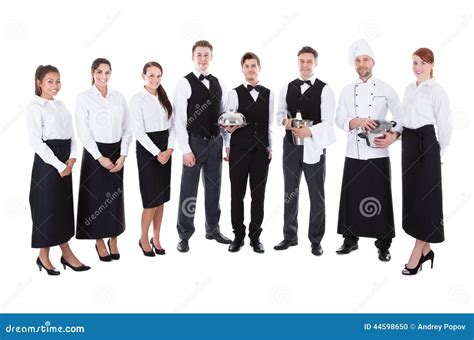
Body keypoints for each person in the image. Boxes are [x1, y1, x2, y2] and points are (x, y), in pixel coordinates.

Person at [334, 40, 404, 262]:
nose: (361, 64)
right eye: (358, 60)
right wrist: (356, 121)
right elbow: (339, 119)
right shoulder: (346, 90)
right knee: (351, 196)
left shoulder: (386, 88)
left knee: (380, 196)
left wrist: (393, 137)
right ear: (354, 64)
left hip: (378, 153)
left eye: (365, 59)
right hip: (353, 153)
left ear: (372, 62)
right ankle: (350, 239)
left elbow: (402, 119)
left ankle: (383, 244)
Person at [27, 65, 90, 275]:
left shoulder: (62, 106)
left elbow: (72, 137)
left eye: (58, 81)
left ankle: (66, 252)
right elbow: (36, 142)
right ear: (39, 82)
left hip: (66, 162)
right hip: (48, 163)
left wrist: (71, 160)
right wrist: (59, 165)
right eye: (50, 81)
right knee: (46, 207)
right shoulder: (35, 107)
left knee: (62, 208)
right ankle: (43, 255)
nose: (55, 86)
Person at [274, 46, 336, 256]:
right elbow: (279, 114)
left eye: (309, 61)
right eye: (302, 61)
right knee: (289, 193)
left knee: (316, 195)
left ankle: (316, 240)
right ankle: (290, 236)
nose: (305, 65)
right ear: (297, 62)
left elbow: (329, 123)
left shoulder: (325, 89)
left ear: (315, 63)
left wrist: (310, 131)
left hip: (314, 148)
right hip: (290, 147)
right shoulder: (287, 87)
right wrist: (285, 121)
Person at [173, 40, 231, 252]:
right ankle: (184, 234)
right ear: (193, 56)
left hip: (215, 142)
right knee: (189, 191)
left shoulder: (219, 82)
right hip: (194, 143)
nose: (203, 59)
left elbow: (223, 115)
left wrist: (227, 144)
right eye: (199, 55)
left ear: (211, 57)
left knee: (214, 188)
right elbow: (178, 119)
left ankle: (213, 229)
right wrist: (186, 149)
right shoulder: (184, 83)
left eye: (206, 55)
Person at [401, 47, 452, 275]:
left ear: (432, 64)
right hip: (409, 144)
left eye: (422, 63)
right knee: (412, 197)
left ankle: (416, 252)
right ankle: (427, 250)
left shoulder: (437, 91)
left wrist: (436, 152)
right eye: (414, 63)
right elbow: (404, 119)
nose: (418, 68)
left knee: (426, 200)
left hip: (427, 144)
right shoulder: (409, 88)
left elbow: (445, 125)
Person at [75, 58, 132, 262]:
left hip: (117, 151)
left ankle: (114, 238)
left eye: (107, 72)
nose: (103, 76)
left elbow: (127, 127)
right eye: (99, 72)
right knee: (96, 198)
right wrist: (99, 157)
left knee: (114, 197)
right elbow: (83, 132)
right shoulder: (84, 98)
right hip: (95, 153)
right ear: (92, 73)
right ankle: (99, 239)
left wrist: (123, 154)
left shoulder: (118, 97)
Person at [224, 52, 274, 253]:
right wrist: (227, 146)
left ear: (259, 68)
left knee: (258, 196)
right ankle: (238, 235)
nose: (250, 69)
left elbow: (269, 124)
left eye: (254, 66)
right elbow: (227, 123)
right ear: (242, 69)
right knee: (237, 195)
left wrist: (270, 147)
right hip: (238, 150)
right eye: (247, 66)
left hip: (261, 152)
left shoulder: (269, 93)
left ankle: (255, 236)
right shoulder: (234, 93)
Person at [129, 61, 175, 257]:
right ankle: (143, 237)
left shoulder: (164, 98)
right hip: (149, 151)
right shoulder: (137, 99)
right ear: (143, 76)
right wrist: (158, 153)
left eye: (158, 76)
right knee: (151, 199)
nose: (155, 79)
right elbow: (139, 132)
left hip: (166, 148)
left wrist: (170, 149)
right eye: (151, 76)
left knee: (162, 198)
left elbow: (172, 126)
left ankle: (156, 237)